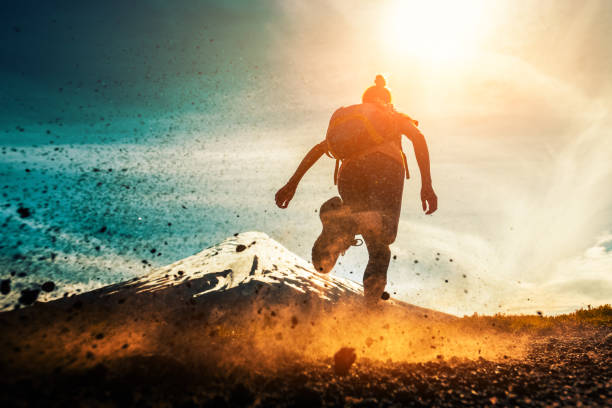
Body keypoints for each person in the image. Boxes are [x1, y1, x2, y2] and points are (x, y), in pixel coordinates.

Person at [275, 75, 437, 302]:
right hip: (384, 170)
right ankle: (346, 225)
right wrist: (426, 184)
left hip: (349, 174)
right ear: (386, 100)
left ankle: (343, 224)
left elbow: (319, 149)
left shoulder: (352, 123)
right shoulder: (390, 114)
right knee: (385, 235)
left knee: (375, 239)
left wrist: (292, 184)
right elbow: (418, 138)